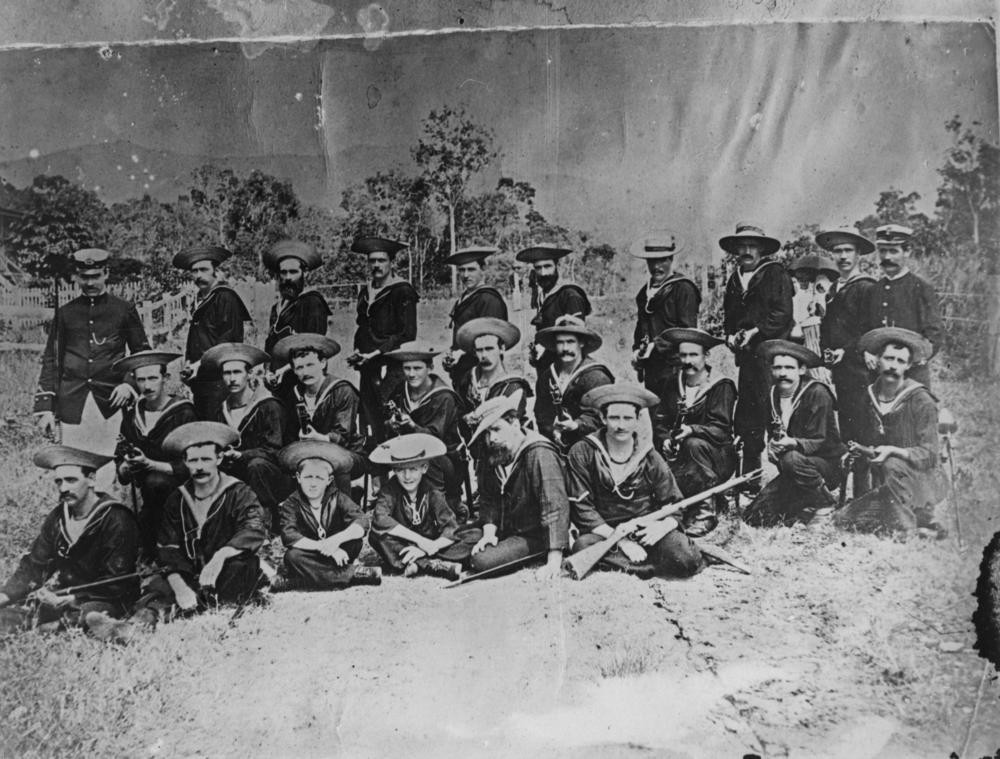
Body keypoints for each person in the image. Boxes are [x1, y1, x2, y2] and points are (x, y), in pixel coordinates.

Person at [33, 248, 150, 488]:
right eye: (84, 277)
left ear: (106, 273)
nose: (90, 282)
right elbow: (51, 360)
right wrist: (45, 408)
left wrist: (128, 385)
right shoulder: (65, 314)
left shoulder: (123, 310)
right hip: (72, 401)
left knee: (105, 465)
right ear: (76, 276)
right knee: (73, 465)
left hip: (110, 400)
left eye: (95, 276)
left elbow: (142, 354)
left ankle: (104, 518)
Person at [567, 384, 704, 578]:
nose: (621, 425)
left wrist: (661, 527)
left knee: (685, 558)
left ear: (637, 419)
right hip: (603, 531)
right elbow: (583, 510)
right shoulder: (582, 452)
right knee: (583, 546)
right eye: (614, 418)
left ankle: (632, 565)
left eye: (627, 418)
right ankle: (647, 568)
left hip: (644, 529)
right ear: (602, 418)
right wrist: (620, 540)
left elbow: (674, 503)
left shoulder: (649, 455)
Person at [0, 446, 140, 634]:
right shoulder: (58, 517)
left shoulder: (116, 518)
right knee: (10, 615)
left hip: (107, 598)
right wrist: (5, 595)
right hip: (63, 595)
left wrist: (73, 598)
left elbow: (115, 582)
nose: (63, 488)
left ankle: (57, 628)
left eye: (71, 480)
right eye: (58, 482)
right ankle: (45, 626)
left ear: (91, 479)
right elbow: (35, 566)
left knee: (83, 616)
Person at [834, 328, 944, 535]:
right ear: (876, 360)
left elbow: (930, 455)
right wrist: (858, 451)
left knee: (892, 463)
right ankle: (910, 525)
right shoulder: (869, 396)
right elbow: (873, 445)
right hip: (887, 487)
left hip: (920, 483)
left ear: (909, 366)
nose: (893, 366)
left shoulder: (921, 400)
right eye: (888, 358)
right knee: (842, 520)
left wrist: (893, 451)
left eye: (901, 361)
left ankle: (912, 526)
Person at [466, 392, 570, 579]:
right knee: (458, 539)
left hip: (534, 535)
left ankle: (540, 552)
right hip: (504, 529)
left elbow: (554, 505)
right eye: (486, 433)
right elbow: (488, 498)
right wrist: (489, 533)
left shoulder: (539, 453)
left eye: (496, 429)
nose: (492, 439)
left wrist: (554, 560)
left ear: (515, 423)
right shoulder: (494, 452)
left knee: (482, 561)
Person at [743, 340, 846, 527]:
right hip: (792, 468)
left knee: (791, 459)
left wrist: (793, 443)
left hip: (823, 466)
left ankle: (825, 504)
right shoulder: (772, 394)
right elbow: (774, 433)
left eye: (789, 368)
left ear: (801, 369)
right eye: (778, 368)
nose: (782, 373)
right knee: (755, 516)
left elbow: (820, 440)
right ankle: (804, 505)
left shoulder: (817, 393)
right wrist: (772, 447)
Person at [720, 224, 794, 479]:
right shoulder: (734, 278)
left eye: (752, 245)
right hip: (747, 361)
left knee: (776, 417)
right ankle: (750, 481)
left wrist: (756, 332)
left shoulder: (775, 274)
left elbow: (783, 313)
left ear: (761, 249)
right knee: (748, 420)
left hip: (771, 357)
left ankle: (790, 483)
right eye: (742, 246)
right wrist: (730, 335)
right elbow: (729, 315)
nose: (747, 250)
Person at [652, 328, 738, 537]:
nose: (688, 361)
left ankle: (705, 514)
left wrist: (692, 430)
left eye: (693, 355)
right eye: (683, 355)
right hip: (679, 454)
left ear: (706, 356)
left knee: (693, 444)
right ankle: (686, 506)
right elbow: (660, 420)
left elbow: (721, 429)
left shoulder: (721, 386)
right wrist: (664, 440)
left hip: (716, 456)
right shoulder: (673, 383)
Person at [113, 350, 197, 559]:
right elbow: (121, 463)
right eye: (141, 380)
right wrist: (126, 466)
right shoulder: (133, 416)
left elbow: (196, 463)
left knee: (155, 482)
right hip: (149, 496)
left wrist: (151, 464)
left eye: (153, 378)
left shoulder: (183, 412)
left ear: (165, 378)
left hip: (183, 491)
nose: (147, 386)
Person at [203, 342, 293, 529]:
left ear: (249, 374)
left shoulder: (268, 406)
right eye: (227, 373)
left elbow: (274, 450)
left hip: (270, 477)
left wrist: (242, 455)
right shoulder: (221, 410)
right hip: (235, 470)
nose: (232, 379)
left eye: (237, 372)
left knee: (256, 466)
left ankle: (264, 522)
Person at [368, 434, 483, 580]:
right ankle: (428, 565)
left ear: (424, 468)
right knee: (376, 537)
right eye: (401, 470)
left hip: (431, 542)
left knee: (472, 535)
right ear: (394, 470)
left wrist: (428, 547)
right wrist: (420, 542)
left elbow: (450, 528)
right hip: (403, 542)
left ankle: (417, 561)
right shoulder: (389, 490)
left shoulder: (432, 491)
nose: (407, 476)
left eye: (413, 469)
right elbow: (381, 519)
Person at [271, 441, 381, 591]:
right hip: (310, 554)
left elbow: (362, 521)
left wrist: (336, 541)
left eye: (319, 478)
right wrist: (324, 547)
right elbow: (289, 536)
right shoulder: (292, 503)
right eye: (308, 477)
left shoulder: (338, 497)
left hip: (340, 550)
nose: (313, 483)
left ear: (329, 480)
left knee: (354, 542)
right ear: (298, 477)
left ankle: (296, 582)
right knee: (292, 557)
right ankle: (353, 574)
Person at [272, 333, 367, 496]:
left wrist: (320, 438)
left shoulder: (342, 390)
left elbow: (343, 435)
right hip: (306, 453)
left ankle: (343, 510)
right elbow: (289, 433)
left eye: (310, 365)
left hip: (346, 452)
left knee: (333, 461)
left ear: (323, 363)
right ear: (293, 370)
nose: (305, 372)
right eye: (299, 368)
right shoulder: (294, 394)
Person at [382, 342, 466, 519]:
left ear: (430, 367)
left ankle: (442, 508)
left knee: (428, 457)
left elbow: (435, 440)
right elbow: (388, 428)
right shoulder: (400, 391)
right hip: (409, 456)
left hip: (444, 461)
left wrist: (412, 426)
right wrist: (391, 425)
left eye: (417, 368)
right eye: (407, 368)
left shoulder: (443, 396)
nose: (411, 374)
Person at [349, 236, 419, 443]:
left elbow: (408, 333)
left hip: (392, 364)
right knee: (370, 419)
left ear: (391, 262)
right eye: (372, 261)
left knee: (390, 416)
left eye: (381, 260)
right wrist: (358, 351)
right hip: (368, 366)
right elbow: (362, 325)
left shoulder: (402, 291)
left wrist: (378, 352)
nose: (376, 265)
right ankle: (376, 467)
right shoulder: (365, 292)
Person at [817, 227, 879, 462]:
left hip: (860, 369)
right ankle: (848, 489)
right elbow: (826, 329)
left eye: (848, 251)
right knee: (847, 431)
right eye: (837, 251)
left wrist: (847, 351)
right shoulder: (833, 289)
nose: (842, 256)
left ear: (858, 254)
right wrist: (826, 357)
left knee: (863, 431)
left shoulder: (867, 287)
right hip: (840, 371)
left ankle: (864, 492)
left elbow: (871, 331)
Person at [172, 245, 251, 419]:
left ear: (216, 271)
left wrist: (198, 364)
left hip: (220, 380)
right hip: (201, 379)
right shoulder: (205, 300)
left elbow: (229, 342)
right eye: (194, 271)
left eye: (204, 270)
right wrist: (189, 365)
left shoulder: (225, 298)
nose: (198, 275)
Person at [867, 224, 943, 387]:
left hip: (912, 374)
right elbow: (865, 330)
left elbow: (934, 334)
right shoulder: (873, 290)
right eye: (883, 251)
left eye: (894, 251)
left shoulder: (921, 288)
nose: (887, 257)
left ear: (907, 251)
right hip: (879, 375)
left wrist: (913, 359)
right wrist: (868, 352)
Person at [261, 240, 332, 404]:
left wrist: (284, 370)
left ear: (304, 273)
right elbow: (269, 344)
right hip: (279, 383)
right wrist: (267, 372)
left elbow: (313, 347)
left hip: (304, 382)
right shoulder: (276, 309)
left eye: (293, 272)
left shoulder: (313, 303)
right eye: (283, 273)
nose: (287, 278)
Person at [630, 232, 701, 392]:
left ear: (671, 259)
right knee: (655, 414)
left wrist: (656, 346)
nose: (656, 267)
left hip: (675, 368)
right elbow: (641, 328)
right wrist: (637, 350)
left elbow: (687, 333)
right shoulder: (644, 294)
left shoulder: (683, 289)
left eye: (662, 260)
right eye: (652, 261)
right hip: (651, 369)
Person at [533, 316, 614, 451]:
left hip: (589, 449)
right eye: (560, 342)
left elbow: (601, 416)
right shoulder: (547, 376)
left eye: (570, 342)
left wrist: (576, 426)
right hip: (554, 445)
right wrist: (552, 430)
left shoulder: (596, 377)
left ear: (581, 343)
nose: (565, 348)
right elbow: (541, 413)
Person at [515, 243, 591, 366]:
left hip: (564, 362)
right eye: (538, 268)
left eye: (547, 266)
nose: (543, 273)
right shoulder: (542, 295)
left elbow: (575, 339)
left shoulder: (570, 295)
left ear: (557, 266)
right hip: (545, 361)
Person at [442, 246, 508, 383]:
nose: (466, 275)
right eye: (462, 270)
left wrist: (461, 353)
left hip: (482, 373)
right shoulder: (465, 297)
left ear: (483, 269)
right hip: (462, 371)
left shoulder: (488, 299)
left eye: (471, 269)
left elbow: (492, 341)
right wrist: (452, 355)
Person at [453, 317, 532, 418]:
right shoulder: (468, 380)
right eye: (479, 350)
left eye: (489, 349)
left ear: (501, 348)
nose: (484, 355)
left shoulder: (513, 387)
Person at [788, 254, 837, 383]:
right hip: (798, 330)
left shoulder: (819, 287)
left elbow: (823, 309)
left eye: (803, 277)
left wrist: (816, 301)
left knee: (814, 359)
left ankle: (819, 382)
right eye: (798, 278)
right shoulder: (797, 292)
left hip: (813, 328)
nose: (801, 280)